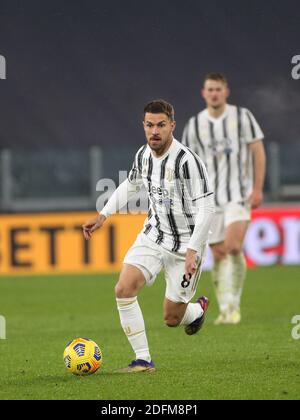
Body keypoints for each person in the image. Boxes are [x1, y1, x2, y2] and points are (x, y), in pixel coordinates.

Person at [83, 99, 214, 373]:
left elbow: (206, 208)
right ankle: (143, 360)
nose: (155, 131)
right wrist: (103, 214)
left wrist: (193, 249)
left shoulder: (187, 161)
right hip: (154, 235)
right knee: (123, 288)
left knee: (171, 317)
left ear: (172, 126)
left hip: (184, 248)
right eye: (149, 125)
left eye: (161, 125)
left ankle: (197, 311)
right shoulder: (143, 155)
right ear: (143, 126)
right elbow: (130, 185)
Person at [182, 73, 266, 325]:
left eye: (218, 89)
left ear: (226, 92)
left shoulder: (242, 117)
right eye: (210, 89)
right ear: (203, 93)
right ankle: (225, 308)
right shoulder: (195, 125)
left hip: (238, 194)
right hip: (210, 199)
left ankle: (233, 306)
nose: (214, 93)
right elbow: (186, 161)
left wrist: (258, 188)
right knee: (218, 254)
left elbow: (258, 152)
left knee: (233, 247)